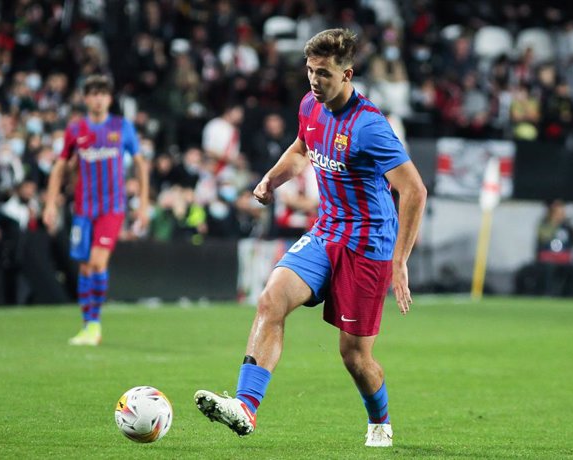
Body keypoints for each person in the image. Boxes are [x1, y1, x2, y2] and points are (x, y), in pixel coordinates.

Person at [194, 29, 427, 448]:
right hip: (326, 231)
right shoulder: (309, 105)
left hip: (368, 245)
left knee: (355, 358)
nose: (314, 81)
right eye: (309, 71)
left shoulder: (370, 126)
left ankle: (380, 421)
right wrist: (271, 179)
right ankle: (246, 406)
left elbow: (414, 190)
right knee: (271, 299)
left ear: (348, 73)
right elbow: (302, 148)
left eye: (323, 73)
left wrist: (399, 260)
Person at [43, 75, 149, 346]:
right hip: (83, 209)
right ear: (85, 98)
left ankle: (95, 324)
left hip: (112, 208)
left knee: (97, 262)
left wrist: (144, 204)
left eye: (103, 93)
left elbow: (140, 165)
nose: (98, 98)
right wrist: (50, 202)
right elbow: (59, 166)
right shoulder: (76, 129)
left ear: (109, 98)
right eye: (93, 93)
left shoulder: (121, 127)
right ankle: (87, 324)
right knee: (85, 268)